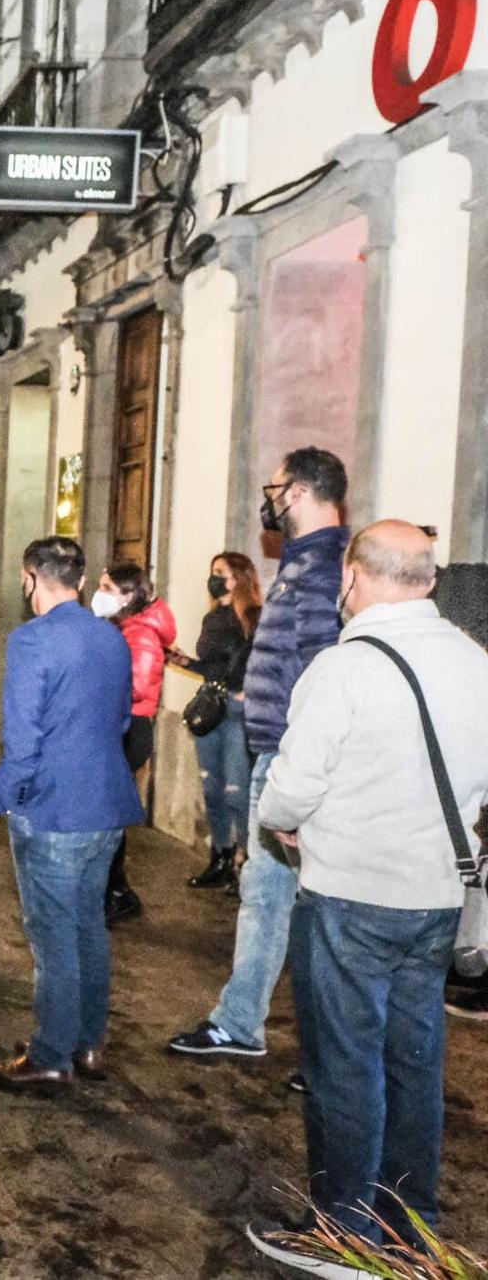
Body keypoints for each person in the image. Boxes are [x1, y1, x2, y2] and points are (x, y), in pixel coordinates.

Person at [244, 522, 488, 1265]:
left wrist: (281, 824)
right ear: (428, 579)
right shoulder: (475, 663)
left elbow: (290, 789)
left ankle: (343, 1235)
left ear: (354, 578)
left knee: (344, 1067)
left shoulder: (344, 667)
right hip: (437, 898)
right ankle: (409, 1228)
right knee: (414, 1064)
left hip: (351, 896)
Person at [170, 446, 350, 1060]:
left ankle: (326, 1052)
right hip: (278, 756)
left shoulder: (323, 568)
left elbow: (327, 679)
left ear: (297, 491)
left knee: (308, 909)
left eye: (275, 488)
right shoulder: (304, 565)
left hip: (294, 762)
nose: (268, 501)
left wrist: (300, 776)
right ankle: (245, 1025)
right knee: (267, 897)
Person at [0, 537, 144, 1090]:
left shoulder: (32, 641)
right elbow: (121, 720)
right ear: (77, 578)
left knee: (52, 935)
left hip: (53, 805)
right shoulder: (112, 638)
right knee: (88, 924)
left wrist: (5, 792)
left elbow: (22, 738)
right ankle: (86, 1042)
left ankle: (50, 1054)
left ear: (30, 579)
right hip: (107, 802)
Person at [167, 553, 262, 890]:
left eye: (221, 573)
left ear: (238, 577)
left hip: (237, 713)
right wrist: (182, 661)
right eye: (213, 573)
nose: (215, 579)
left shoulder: (255, 616)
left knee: (238, 791)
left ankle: (246, 862)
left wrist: (246, 694)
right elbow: (212, 666)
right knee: (212, 789)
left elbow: (261, 664)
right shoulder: (213, 618)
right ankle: (219, 858)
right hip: (211, 709)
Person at [93, 562, 175, 926]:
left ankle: (117, 892)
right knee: (109, 812)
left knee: (110, 813)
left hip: (131, 727)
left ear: (127, 595)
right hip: (124, 724)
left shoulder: (140, 634)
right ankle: (116, 889)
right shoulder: (125, 626)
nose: (100, 593)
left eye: (107, 587)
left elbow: (136, 687)